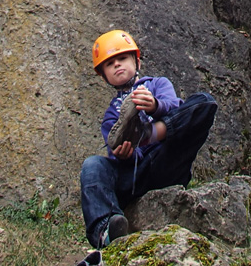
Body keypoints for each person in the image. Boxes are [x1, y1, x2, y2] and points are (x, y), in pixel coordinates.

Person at [80, 29, 217, 250]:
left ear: (137, 61)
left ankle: (147, 134)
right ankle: (106, 230)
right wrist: (126, 154)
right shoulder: (110, 116)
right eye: (110, 63)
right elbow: (114, 150)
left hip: (165, 159)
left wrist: (155, 106)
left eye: (122, 58)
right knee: (92, 165)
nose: (117, 65)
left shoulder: (157, 84)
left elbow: (174, 106)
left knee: (204, 103)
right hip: (135, 175)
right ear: (103, 74)